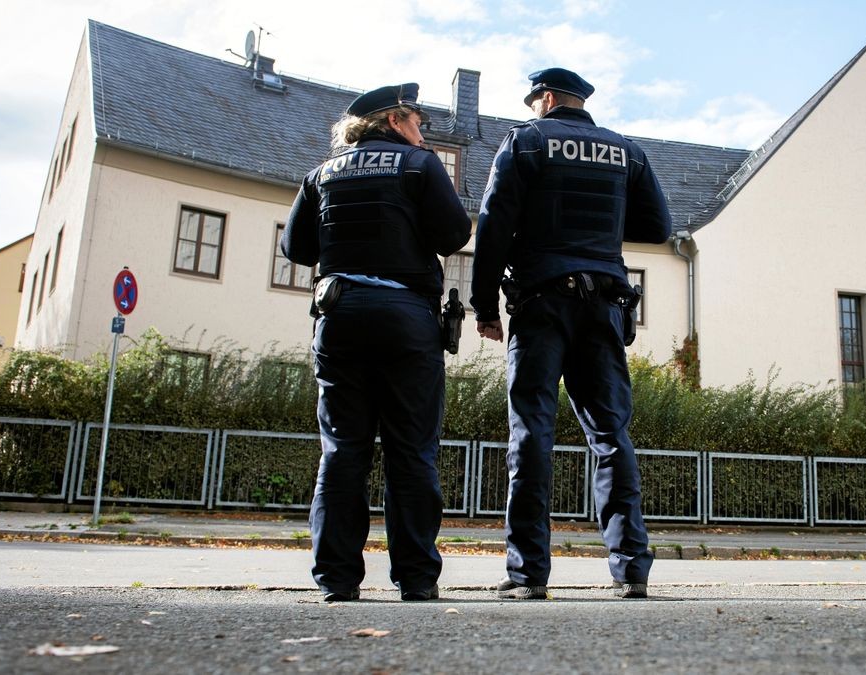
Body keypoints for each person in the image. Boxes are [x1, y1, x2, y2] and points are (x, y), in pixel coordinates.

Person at [471, 68, 672, 599]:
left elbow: (492, 225)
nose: (532, 107)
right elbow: (658, 227)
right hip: (604, 303)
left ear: (549, 98)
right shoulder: (627, 152)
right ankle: (631, 569)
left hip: (542, 302)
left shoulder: (527, 142)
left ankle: (528, 575)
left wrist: (484, 305)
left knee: (532, 431)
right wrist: (598, 232)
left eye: (533, 99)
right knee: (610, 435)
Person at [282, 82, 471, 602]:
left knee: (343, 450)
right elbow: (455, 235)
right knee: (412, 451)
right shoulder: (417, 165)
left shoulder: (320, 174)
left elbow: (295, 246)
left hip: (340, 316)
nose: (421, 131)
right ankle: (415, 580)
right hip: (406, 317)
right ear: (393, 121)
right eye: (416, 121)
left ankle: (337, 581)